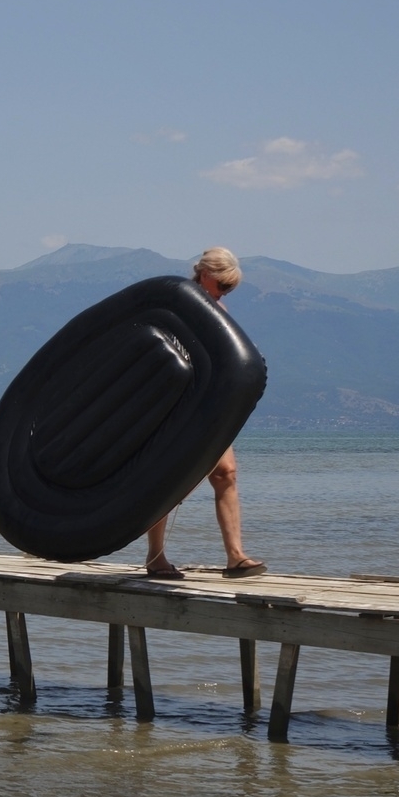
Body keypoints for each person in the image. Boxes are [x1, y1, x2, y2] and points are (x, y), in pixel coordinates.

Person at [143, 247, 266, 580]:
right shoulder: (177, 302)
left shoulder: (219, 310)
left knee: (226, 472)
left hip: (212, 404)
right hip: (179, 404)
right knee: (173, 480)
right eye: (223, 285)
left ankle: (236, 557)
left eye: (229, 289)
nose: (224, 293)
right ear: (206, 274)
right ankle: (155, 556)